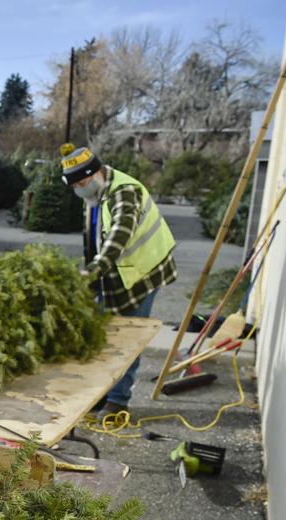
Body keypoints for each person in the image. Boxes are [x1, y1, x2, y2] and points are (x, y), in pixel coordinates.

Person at [60, 143, 177, 415]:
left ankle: (118, 401)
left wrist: (91, 272)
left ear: (95, 173)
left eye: (82, 182)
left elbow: (116, 241)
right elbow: (94, 239)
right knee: (103, 334)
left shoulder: (124, 192)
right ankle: (102, 394)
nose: (79, 188)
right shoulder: (94, 194)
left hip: (142, 273)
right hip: (115, 273)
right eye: (74, 185)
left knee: (126, 337)